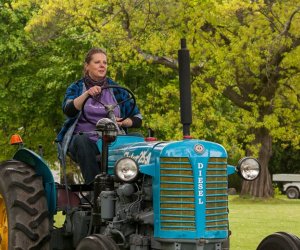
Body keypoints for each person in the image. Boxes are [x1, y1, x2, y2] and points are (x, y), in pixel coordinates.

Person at [56, 48, 142, 183]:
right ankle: (96, 187)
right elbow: (68, 110)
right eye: (97, 62)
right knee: (81, 141)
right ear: (87, 66)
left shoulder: (117, 90)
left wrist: (123, 122)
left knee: (138, 139)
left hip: (113, 139)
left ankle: (134, 187)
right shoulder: (76, 88)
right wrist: (87, 94)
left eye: (105, 63)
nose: (102, 65)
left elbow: (138, 119)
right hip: (86, 140)